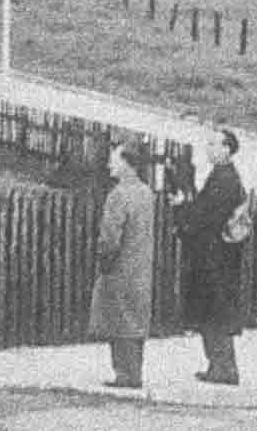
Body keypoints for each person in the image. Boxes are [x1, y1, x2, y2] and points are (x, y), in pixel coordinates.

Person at [172, 128, 247, 386]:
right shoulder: (223, 176)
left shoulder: (225, 179)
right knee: (213, 310)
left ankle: (224, 368)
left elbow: (204, 217)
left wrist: (183, 208)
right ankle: (218, 365)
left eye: (213, 144)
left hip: (214, 257)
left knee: (214, 310)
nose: (208, 149)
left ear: (227, 149)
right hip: (217, 256)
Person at [87, 138, 157, 391]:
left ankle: (124, 375)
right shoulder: (146, 193)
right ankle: (134, 373)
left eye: (114, 160)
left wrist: (103, 260)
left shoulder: (118, 195)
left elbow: (110, 237)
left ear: (127, 163)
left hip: (120, 267)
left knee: (119, 320)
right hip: (141, 267)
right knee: (136, 321)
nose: (109, 165)